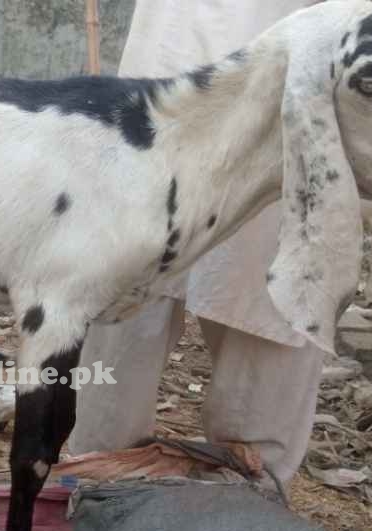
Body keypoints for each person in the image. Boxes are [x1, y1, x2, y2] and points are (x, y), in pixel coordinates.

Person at [69, 0, 323, 488]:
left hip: (291, 85)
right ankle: (98, 483)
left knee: (272, 292)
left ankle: (247, 506)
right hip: (170, 75)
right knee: (129, 290)